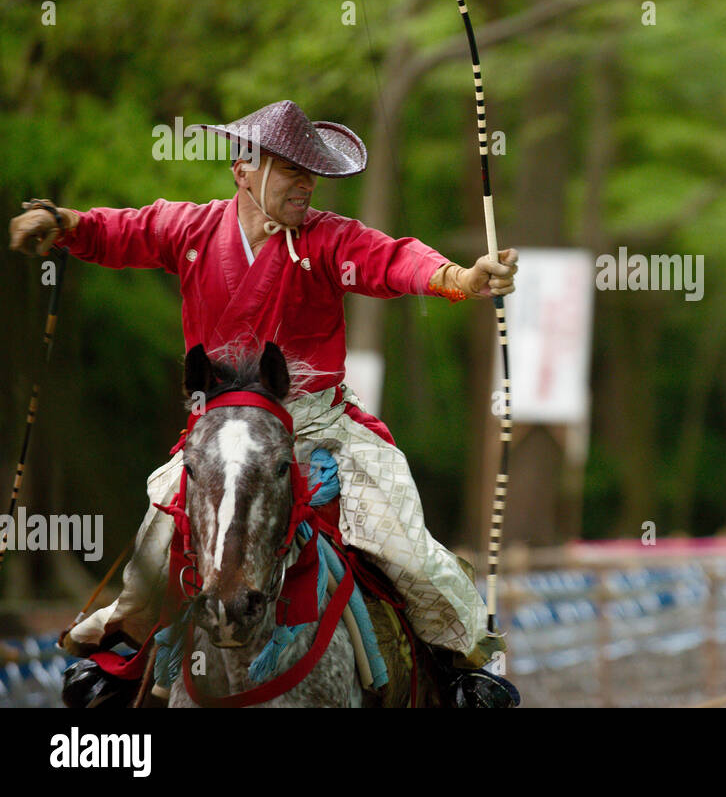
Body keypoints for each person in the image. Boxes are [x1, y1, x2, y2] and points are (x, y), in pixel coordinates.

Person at [9, 100, 519, 706]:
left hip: (320, 425)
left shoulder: (328, 239)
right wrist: (62, 223)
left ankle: (463, 668)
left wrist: (460, 278)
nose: (306, 185)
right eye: (289, 170)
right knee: (154, 541)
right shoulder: (190, 229)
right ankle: (126, 656)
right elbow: (123, 230)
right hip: (222, 431)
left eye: (312, 174)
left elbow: (393, 259)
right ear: (241, 169)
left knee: (409, 548)